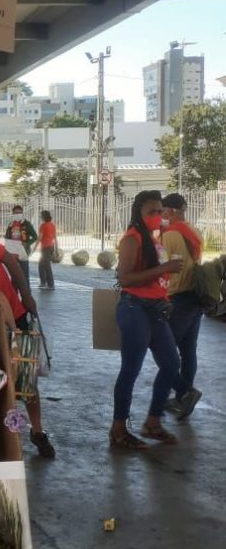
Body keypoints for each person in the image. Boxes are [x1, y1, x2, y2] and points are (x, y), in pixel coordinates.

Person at [0, 223, 56, 458]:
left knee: (26, 378)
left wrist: (26, 294)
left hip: (15, 315)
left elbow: (10, 261)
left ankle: (37, 430)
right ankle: (6, 439)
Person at [110, 190, 183, 450]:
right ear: (139, 213)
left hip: (155, 309)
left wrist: (163, 296)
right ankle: (118, 429)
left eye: (159, 211)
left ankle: (152, 422)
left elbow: (152, 278)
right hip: (134, 309)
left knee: (171, 363)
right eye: (151, 211)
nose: (157, 215)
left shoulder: (153, 239)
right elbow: (126, 279)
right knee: (131, 368)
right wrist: (164, 269)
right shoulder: (132, 239)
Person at [161, 193, 204, 420]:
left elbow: (164, 265)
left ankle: (185, 393)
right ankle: (182, 400)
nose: (162, 215)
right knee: (188, 351)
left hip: (176, 297)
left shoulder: (170, 235)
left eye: (163, 210)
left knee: (164, 351)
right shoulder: (194, 231)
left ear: (173, 211)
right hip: (195, 297)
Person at [4, 204, 37, 284]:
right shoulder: (11, 224)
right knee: (14, 274)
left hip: (23, 251)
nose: (18, 214)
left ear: (22, 213)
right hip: (12, 252)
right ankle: (14, 294)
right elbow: (7, 237)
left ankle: (27, 293)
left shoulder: (26, 224)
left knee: (24, 274)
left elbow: (35, 236)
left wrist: (27, 244)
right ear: (13, 214)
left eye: (19, 213)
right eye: (16, 213)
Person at [33, 211, 57, 290]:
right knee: (42, 265)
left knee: (46, 265)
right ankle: (44, 282)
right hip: (51, 246)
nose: (40, 217)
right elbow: (55, 238)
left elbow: (40, 238)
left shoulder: (43, 226)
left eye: (41, 215)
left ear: (44, 217)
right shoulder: (52, 225)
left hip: (45, 247)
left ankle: (49, 284)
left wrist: (34, 247)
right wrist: (56, 249)